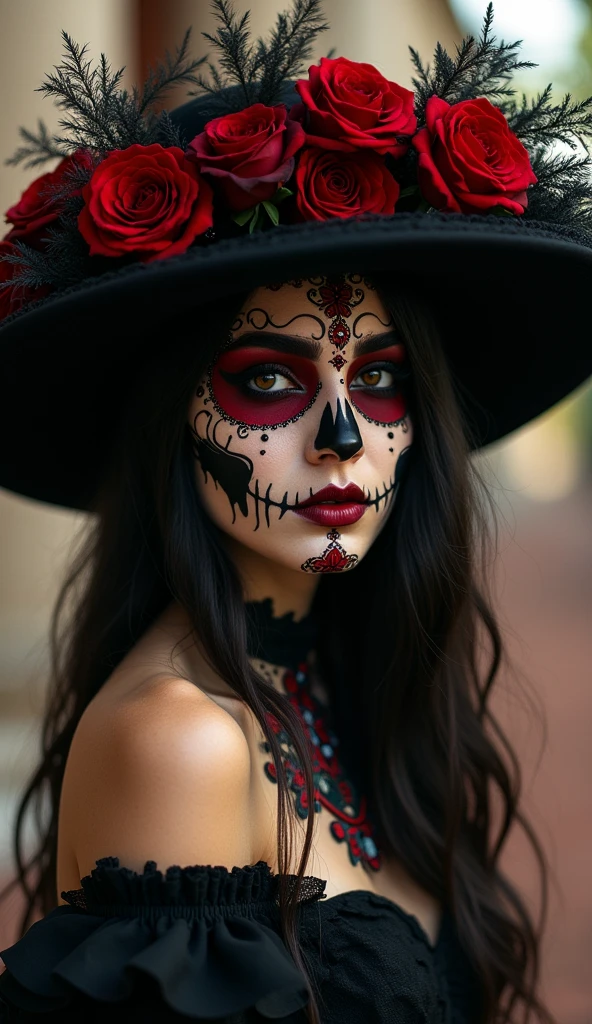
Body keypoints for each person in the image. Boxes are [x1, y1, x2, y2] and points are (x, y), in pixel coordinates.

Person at [0, 3, 591, 1022]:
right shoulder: (177, 739)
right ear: (166, 424)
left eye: (381, 375)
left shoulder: (327, 660)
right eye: (267, 379)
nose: (343, 437)